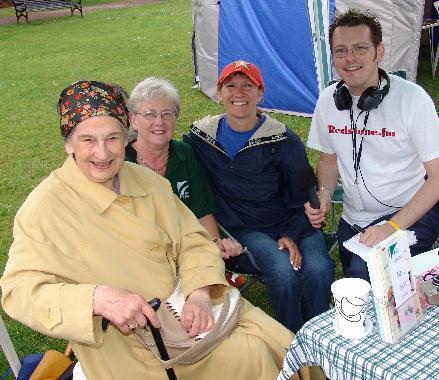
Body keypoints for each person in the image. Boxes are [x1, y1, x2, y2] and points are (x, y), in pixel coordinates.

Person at [0, 80, 297, 380]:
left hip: (191, 312)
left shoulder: (148, 181)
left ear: (126, 136)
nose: (102, 154)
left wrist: (199, 290)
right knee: (252, 357)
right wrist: (96, 299)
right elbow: (18, 290)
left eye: (113, 138)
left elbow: (193, 239)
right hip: (135, 349)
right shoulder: (46, 207)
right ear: (68, 143)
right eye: (88, 139)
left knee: (286, 347)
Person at [187, 60, 335, 333]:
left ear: (260, 93)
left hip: (295, 221)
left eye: (248, 85)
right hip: (245, 228)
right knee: (283, 271)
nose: (239, 93)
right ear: (219, 94)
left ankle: (317, 337)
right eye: (230, 86)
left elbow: (305, 193)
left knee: (319, 269)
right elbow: (175, 162)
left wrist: (290, 233)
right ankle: (289, 342)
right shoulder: (200, 138)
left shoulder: (284, 140)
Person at [305, 9, 439, 281]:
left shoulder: (413, 100)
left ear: (379, 51)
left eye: (360, 48)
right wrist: (324, 193)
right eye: (340, 50)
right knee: (358, 284)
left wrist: (392, 227)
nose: (350, 58)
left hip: (407, 214)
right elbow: (329, 160)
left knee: (367, 279)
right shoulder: (328, 100)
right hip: (353, 220)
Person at [125, 77, 242, 262]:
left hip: (187, 250)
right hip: (141, 256)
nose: (159, 122)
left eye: (167, 114)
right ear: (134, 120)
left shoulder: (184, 153)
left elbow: (202, 210)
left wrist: (214, 244)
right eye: (149, 114)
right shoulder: (122, 162)